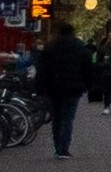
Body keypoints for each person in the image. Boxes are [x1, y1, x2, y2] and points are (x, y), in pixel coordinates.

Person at [35, 26, 93, 156]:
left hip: (54, 88)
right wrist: (87, 86)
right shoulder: (80, 47)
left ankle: (57, 147)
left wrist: (40, 88)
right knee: (68, 118)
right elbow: (88, 69)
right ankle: (64, 149)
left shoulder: (51, 47)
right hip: (74, 88)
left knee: (57, 118)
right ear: (73, 33)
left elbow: (42, 69)